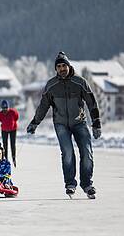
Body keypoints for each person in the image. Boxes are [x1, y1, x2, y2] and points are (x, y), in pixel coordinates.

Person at [26, 51, 101, 199]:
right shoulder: (51, 85)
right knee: (67, 153)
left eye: (64, 65)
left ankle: (87, 184)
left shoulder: (80, 82)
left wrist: (96, 122)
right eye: (59, 66)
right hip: (61, 124)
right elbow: (43, 106)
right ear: (56, 69)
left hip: (79, 122)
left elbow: (92, 103)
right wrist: (35, 122)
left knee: (87, 153)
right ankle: (70, 184)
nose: (62, 69)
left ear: (69, 65)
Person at [0, 99, 19, 166]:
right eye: (3, 108)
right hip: (4, 130)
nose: (5, 110)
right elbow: (0, 120)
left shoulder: (13, 112)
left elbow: (16, 118)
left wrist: (12, 124)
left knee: (13, 144)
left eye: (6, 108)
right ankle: (5, 158)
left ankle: (13, 157)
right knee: (5, 145)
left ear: (8, 107)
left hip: (13, 129)